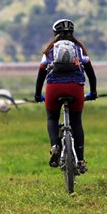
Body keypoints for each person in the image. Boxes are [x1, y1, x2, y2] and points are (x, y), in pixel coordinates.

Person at [34, 18, 97, 174]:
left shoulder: (50, 51)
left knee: (52, 118)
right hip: (75, 88)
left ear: (55, 33)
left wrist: (37, 95)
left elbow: (41, 75)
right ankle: (81, 161)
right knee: (76, 123)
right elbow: (91, 73)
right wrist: (93, 92)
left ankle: (55, 145)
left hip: (54, 89)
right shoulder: (78, 48)